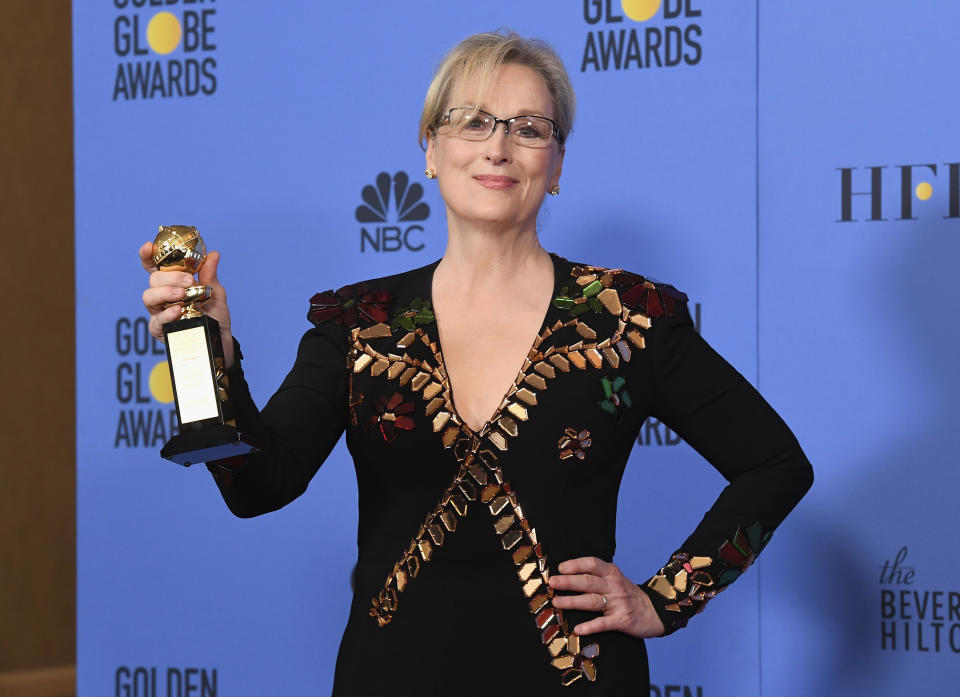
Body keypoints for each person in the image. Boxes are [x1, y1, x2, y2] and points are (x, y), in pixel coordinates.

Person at [139, 30, 812, 695]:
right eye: (472, 121)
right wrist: (209, 355)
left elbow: (776, 464)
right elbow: (258, 487)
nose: (498, 145)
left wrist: (668, 598)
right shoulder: (359, 323)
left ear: (557, 164)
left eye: (529, 127)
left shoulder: (627, 316)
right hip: (393, 678)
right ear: (430, 148)